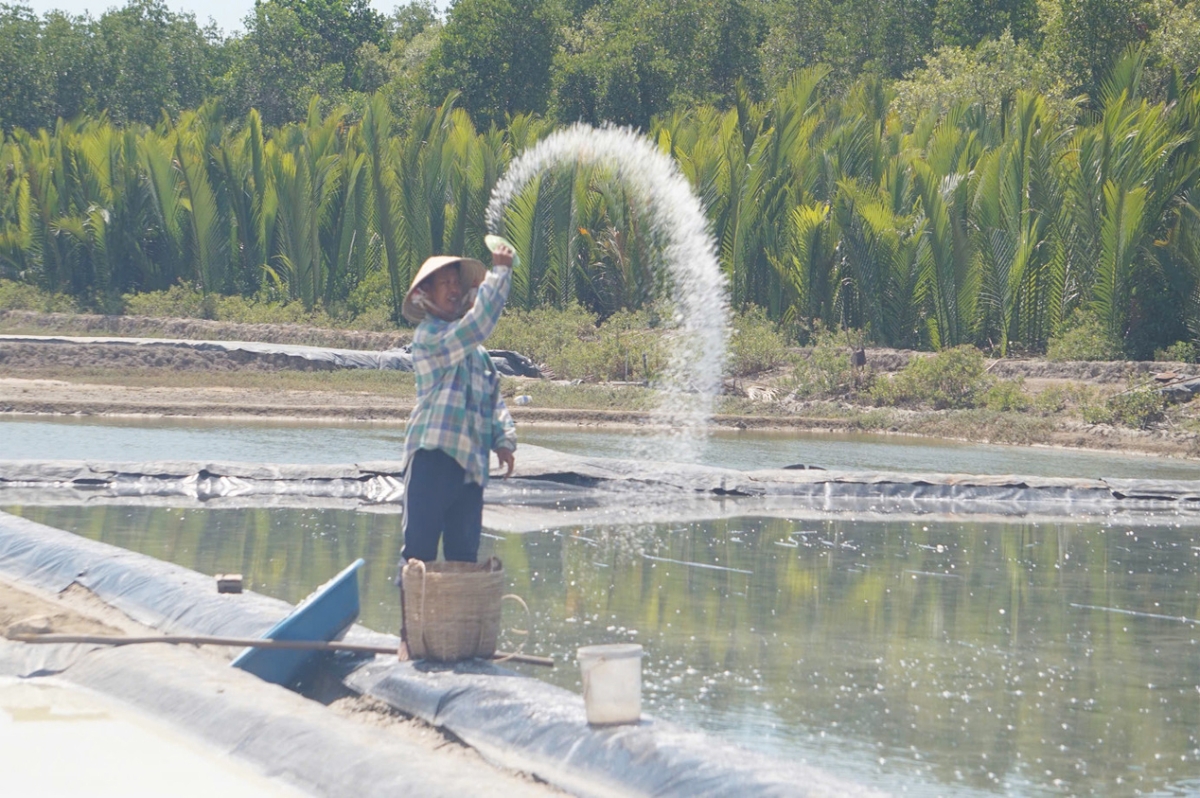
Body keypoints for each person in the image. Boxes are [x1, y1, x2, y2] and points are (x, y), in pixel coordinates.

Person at [400, 244, 517, 566]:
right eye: (445, 284)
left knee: (463, 558)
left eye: (457, 283)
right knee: (418, 555)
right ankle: (415, 616)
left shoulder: (478, 355)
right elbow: (476, 326)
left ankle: (456, 616)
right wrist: (500, 273)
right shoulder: (429, 337)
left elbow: (494, 402)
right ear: (427, 295)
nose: (453, 288)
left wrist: (504, 441)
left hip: (472, 467)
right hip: (434, 457)